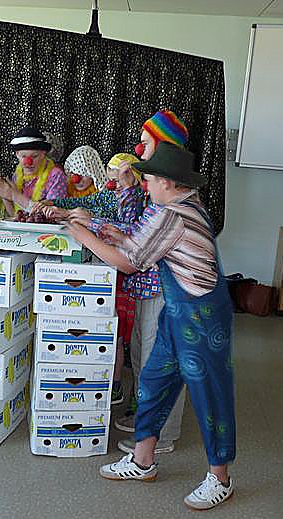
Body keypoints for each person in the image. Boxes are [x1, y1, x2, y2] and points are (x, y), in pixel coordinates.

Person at [67, 142, 236, 511]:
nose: (147, 186)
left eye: (151, 180)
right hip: (180, 313)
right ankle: (143, 460)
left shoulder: (173, 214)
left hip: (201, 317)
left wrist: (83, 235)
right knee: (155, 381)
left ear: (168, 183)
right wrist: (110, 231)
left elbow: (129, 263)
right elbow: (144, 242)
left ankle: (220, 478)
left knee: (210, 393)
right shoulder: (185, 205)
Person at [101, 110, 191, 455]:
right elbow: (139, 232)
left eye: (145, 141)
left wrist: (89, 230)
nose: (139, 148)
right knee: (142, 357)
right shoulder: (155, 185)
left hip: (165, 292)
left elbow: (138, 251)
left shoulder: (171, 195)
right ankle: (148, 423)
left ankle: (162, 436)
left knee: (160, 364)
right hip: (147, 287)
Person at [36, 151, 145, 405]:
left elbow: (125, 228)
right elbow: (86, 203)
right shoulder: (110, 194)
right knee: (106, 332)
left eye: (118, 181)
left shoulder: (136, 200)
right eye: (111, 180)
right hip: (110, 272)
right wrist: (54, 205)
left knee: (120, 335)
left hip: (125, 275)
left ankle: (121, 390)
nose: (113, 186)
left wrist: (85, 220)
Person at [0, 127, 66, 211]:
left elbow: (53, 213)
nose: (28, 162)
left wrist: (15, 195)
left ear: (43, 154)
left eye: (34, 156)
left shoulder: (56, 176)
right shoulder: (17, 175)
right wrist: (4, 193)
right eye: (23, 156)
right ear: (17, 155)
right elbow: (14, 215)